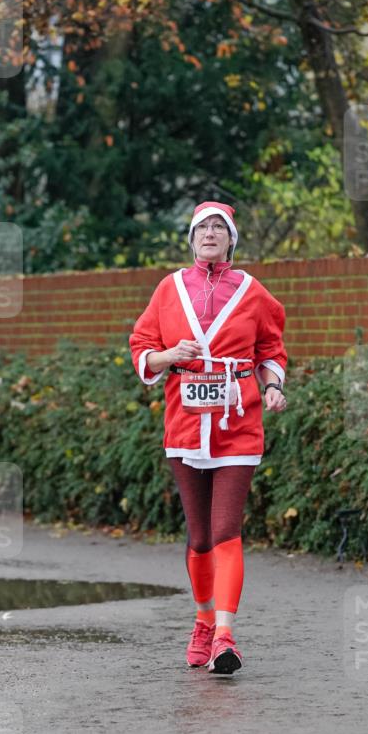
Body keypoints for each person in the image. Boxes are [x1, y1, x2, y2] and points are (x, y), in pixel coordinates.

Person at [129, 201, 287, 675]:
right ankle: (201, 621)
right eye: (203, 228)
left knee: (225, 530)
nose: (211, 234)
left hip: (238, 421)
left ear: (232, 239)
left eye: (220, 228)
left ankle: (224, 636)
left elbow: (271, 347)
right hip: (184, 420)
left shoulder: (254, 292)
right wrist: (168, 354)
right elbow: (141, 348)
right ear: (192, 238)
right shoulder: (169, 288)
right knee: (199, 538)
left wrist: (274, 384)